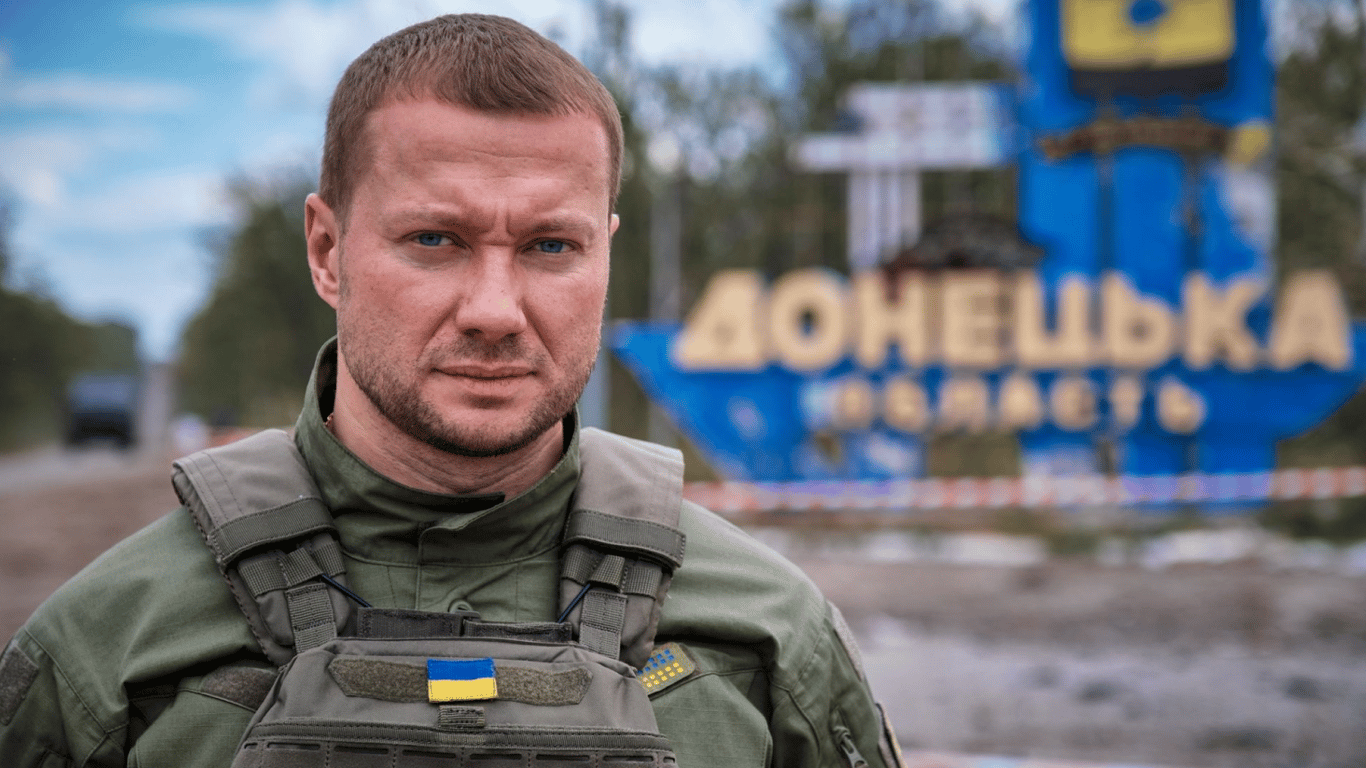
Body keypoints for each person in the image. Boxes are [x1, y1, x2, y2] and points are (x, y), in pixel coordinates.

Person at [0, 14, 902, 767]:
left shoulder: (769, 640)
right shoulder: (108, 654)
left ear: (605, 254)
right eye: (435, 240)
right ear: (327, 251)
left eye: (551, 246)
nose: (495, 311)